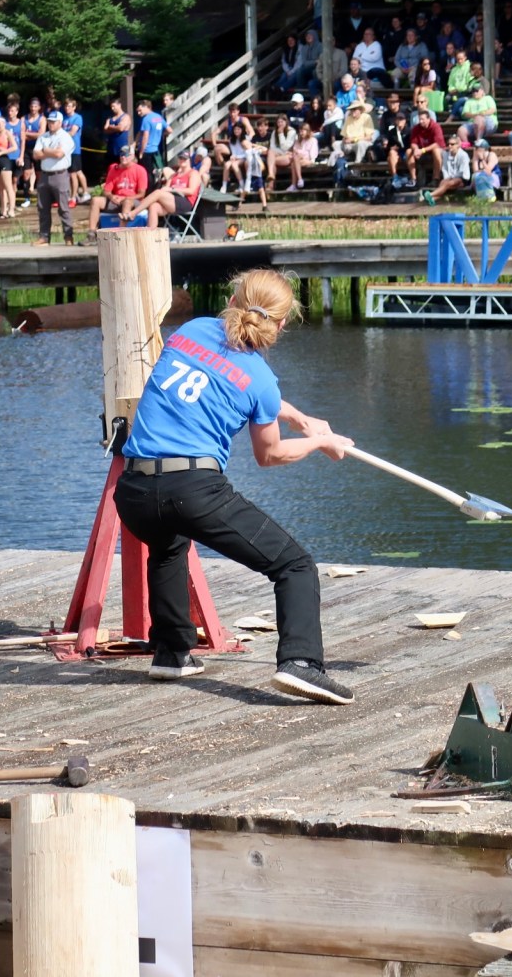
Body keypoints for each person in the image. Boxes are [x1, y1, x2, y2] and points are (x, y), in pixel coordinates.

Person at [113, 268, 355, 706]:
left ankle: (171, 652)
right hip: (192, 490)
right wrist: (320, 442)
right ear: (281, 324)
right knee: (295, 566)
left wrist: (299, 417)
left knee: (168, 544)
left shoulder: (192, 330)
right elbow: (270, 455)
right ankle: (301, 664)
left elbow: (222, 377)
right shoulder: (261, 378)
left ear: (234, 298)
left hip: (133, 492)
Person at [82, 145, 148, 243]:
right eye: (121, 154)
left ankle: (121, 234)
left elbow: (141, 194)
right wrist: (111, 196)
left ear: (132, 156)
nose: (123, 157)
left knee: (127, 201)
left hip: (133, 201)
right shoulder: (114, 169)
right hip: (116, 199)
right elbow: (106, 190)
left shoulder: (140, 170)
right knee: (96, 200)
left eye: (126, 155)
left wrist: (125, 198)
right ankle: (92, 233)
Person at [124, 149, 202, 230]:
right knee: (153, 206)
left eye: (185, 159)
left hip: (185, 201)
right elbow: (165, 189)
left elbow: (191, 191)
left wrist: (172, 189)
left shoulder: (193, 173)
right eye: (180, 158)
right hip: (171, 201)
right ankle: (150, 233)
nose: (182, 160)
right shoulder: (174, 175)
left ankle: (134, 213)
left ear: (189, 160)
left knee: (158, 193)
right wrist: (167, 189)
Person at [32, 109, 75, 246]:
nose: (50, 124)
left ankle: (68, 236)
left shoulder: (65, 137)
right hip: (44, 175)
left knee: (63, 207)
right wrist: (50, 152)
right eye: (49, 121)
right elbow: (35, 155)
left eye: (53, 122)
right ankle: (44, 237)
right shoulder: (43, 136)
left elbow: (59, 154)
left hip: (60, 174)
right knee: (42, 208)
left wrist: (45, 151)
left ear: (60, 123)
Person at [421, 134, 470, 204]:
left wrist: (451, 179)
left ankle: (431, 194)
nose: (449, 146)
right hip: (451, 177)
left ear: (458, 145)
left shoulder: (463, 155)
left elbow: (462, 172)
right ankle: (434, 199)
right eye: (448, 144)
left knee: (448, 184)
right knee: (443, 182)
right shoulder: (446, 154)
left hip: (462, 178)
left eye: (452, 144)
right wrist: (447, 178)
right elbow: (445, 168)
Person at [135, 98, 169, 193]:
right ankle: (156, 188)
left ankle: (148, 192)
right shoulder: (158, 117)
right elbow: (169, 130)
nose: (138, 113)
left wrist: (141, 151)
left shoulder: (146, 119)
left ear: (146, 107)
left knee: (146, 173)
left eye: (140, 110)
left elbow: (145, 135)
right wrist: (160, 135)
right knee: (155, 171)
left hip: (147, 150)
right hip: (155, 149)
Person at [63, 97, 90, 206]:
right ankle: (79, 193)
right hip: (65, 149)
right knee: (74, 172)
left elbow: (72, 132)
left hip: (74, 149)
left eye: (69, 106)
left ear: (74, 107)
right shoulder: (64, 118)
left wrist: (60, 136)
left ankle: (74, 196)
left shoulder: (77, 118)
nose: (67, 108)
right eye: (66, 106)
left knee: (74, 173)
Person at [406, 108, 445, 185]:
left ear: (428, 119)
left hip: (436, 151)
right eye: (419, 119)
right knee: (409, 151)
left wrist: (422, 150)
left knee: (436, 150)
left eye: (423, 119)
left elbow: (436, 144)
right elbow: (413, 142)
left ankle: (436, 178)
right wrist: (416, 149)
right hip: (422, 152)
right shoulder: (416, 128)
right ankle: (414, 179)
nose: (421, 121)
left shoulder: (435, 127)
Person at [210, 103, 254, 168]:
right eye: (231, 112)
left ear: (238, 111)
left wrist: (245, 141)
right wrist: (214, 145)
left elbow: (252, 132)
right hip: (232, 146)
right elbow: (214, 133)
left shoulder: (244, 120)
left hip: (242, 145)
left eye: (234, 112)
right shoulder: (227, 122)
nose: (232, 114)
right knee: (217, 149)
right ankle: (224, 167)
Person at [21, 97, 46, 208]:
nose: (33, 108)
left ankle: (41, 197)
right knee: (26, 174)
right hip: (26, 149)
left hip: (38, 149)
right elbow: (21, 134)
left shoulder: (42, 119)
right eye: (32, 106)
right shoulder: (24, 118)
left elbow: (41, 134)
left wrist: (28, 134)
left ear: (39, 107)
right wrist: (33, 134)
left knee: (39, 174)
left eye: (35, 106)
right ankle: (27, 198)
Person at [0, 116, 16, 219]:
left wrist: (2, 152)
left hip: (4, 160)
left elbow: (14, 147)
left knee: (8, 186)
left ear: (4, 124)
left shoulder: (7, 133)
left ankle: (12, 209)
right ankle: (3, 210)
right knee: (0, 188)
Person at [267, 114, 298, 191]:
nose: (280, 124)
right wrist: (279, 153)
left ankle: (270, 186)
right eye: (278, 122)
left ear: (286, 122)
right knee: (271, 152)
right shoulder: (274, 132)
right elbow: (272, 146)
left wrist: (281, 134)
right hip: (278, 155)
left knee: (271, 161)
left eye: (282, 122)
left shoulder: (292, 131)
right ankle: (271, 175)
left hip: (288, 156)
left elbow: (286, 147)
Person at [219, 120, 251, 192]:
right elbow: (234, 151)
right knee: (227, 164)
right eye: (235, 129)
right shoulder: (232, 139)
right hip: (236, 157)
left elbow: (247, 152)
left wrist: (236, 157)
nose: (236, 131)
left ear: (242, 130)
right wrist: (233, 156)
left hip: (244, 157)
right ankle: (224, 185)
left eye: (238, 129)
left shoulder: (246, 138)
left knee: (234, 165)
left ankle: (241, 184)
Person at [5, 97, 24, 215]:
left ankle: (13, 202)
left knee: (15, 180)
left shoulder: (21, 124)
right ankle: (7, 204)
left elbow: (23, 141)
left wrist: (21, 156)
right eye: (9, 111)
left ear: (17, 111)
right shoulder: (5, 124)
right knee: (7, 181)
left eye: (13, 111)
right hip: (7, 156)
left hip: (16, 155)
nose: (10, 113)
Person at [104, 96, 131, 165]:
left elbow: (121, 128)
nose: (112, 108)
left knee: (122, 167)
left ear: (119, 105)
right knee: (111, 168)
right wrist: (115, 128)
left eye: (114, 106)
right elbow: (105, 129)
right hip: (111, 149)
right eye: (111, 107)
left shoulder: (125, 117)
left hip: (122, 149)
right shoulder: (110, 118)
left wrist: (110, 127)